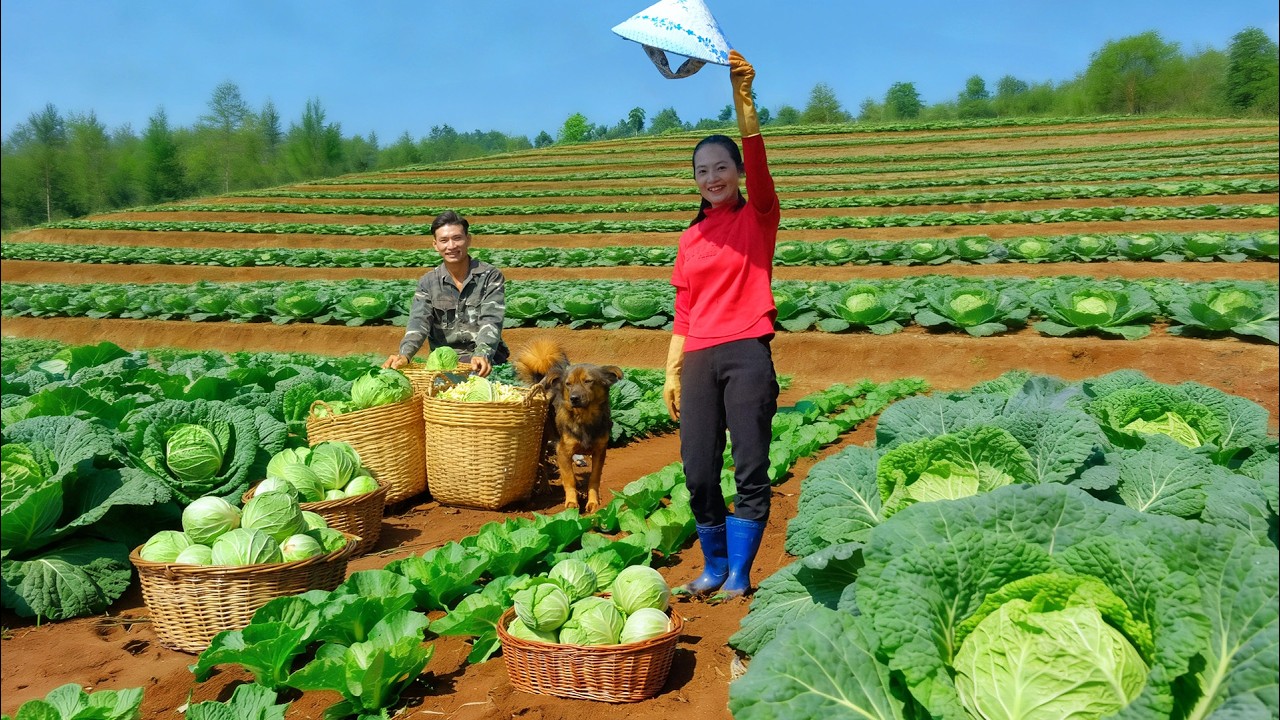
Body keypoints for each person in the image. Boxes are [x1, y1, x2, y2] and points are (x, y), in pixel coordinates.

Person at [663, 50, 779, 601]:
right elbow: (684, 311)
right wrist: (672, 372)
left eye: (721, 168)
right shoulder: (690, 239)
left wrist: (744, 98)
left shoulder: (758, 217)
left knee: (750, 465)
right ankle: (712, 566)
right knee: (698, 471)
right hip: (701, 357)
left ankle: (739, 572)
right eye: (702, 171)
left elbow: (757, 156)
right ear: (696, 181)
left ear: (735, 173)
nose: (713, 178)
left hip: (747, 351)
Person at [383, 210, 509, 377]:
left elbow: (491, 320)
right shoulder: (427, 283)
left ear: (468, 239)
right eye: (444, 240)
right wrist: (404, 354)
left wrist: (482, 354)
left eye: (457, 238)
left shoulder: (490, 276)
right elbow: (418, 322)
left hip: (486, 362)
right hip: (444, 366)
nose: (451, 246)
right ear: (435, 245)